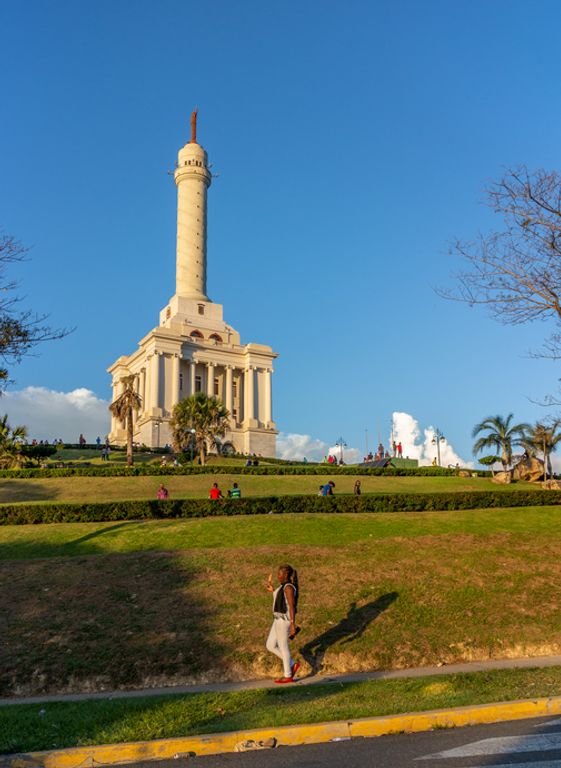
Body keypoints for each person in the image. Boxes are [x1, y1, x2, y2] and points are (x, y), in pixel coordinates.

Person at [265, 564, 300, 684]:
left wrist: (292, 624)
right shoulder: (282, 587)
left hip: (284, 621)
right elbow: (280, 600)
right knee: (270, 645)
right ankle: (292, 664)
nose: (278, 575)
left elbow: (292, 606)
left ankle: (288, 675)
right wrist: (272, 590)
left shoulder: (288, 588)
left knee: (283, 647)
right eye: (278, 573)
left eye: (280, 574)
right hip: (277, 620)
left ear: (286, 575)